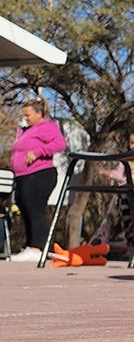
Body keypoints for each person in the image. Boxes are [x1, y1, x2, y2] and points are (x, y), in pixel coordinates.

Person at [9, 99, 67, 262]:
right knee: (24, 207)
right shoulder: (26, 130)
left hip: (40, 174)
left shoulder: (47, 126)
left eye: (28, 115)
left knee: (35, 209)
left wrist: (38, 152)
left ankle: (37, 248)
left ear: (39, 113)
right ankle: (30, 246)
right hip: (23, 176)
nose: (25, 118)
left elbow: (60, 143)